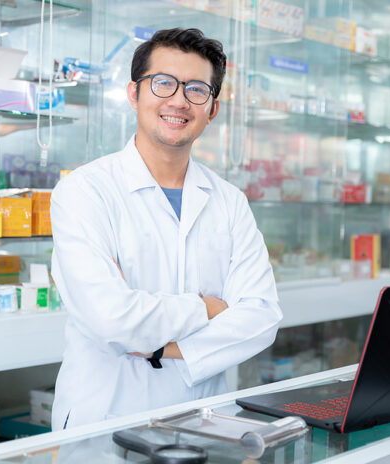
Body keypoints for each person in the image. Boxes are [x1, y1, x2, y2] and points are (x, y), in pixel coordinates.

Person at [49, 28, 282, 430]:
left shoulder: (229, 201)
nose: (178, 100)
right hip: (106, 422)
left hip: (205, 420)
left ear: (212, 108)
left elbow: (261, 318)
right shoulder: (85, 191)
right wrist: (206, 309)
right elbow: (110, 319)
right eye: (163, 83)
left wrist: (164, 347)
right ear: (134, 93)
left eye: (196, 89)